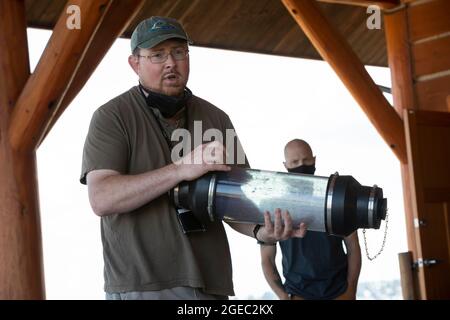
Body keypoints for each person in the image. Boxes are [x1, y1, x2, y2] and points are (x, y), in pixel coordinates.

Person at [80, 16, 306, 300]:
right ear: (134, 63)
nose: (170, 63)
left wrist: (262, 232)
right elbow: (102, 198)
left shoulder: (217, 118)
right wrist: (180, 170)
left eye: (178, 52)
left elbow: (238, 204)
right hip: (144, 286)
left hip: (212, 285)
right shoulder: (112, 116)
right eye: (157, 55)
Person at [260, 139, 362, 300]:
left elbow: (353, 247)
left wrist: (351, 290)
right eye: (295, 161)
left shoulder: (336, 199)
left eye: (306, 160)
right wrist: (283, 297)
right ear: (285, 165)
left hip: (339, 291)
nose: (302, 164)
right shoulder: (274, 206)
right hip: (298, 293)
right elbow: (266, 259)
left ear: (314, 160)